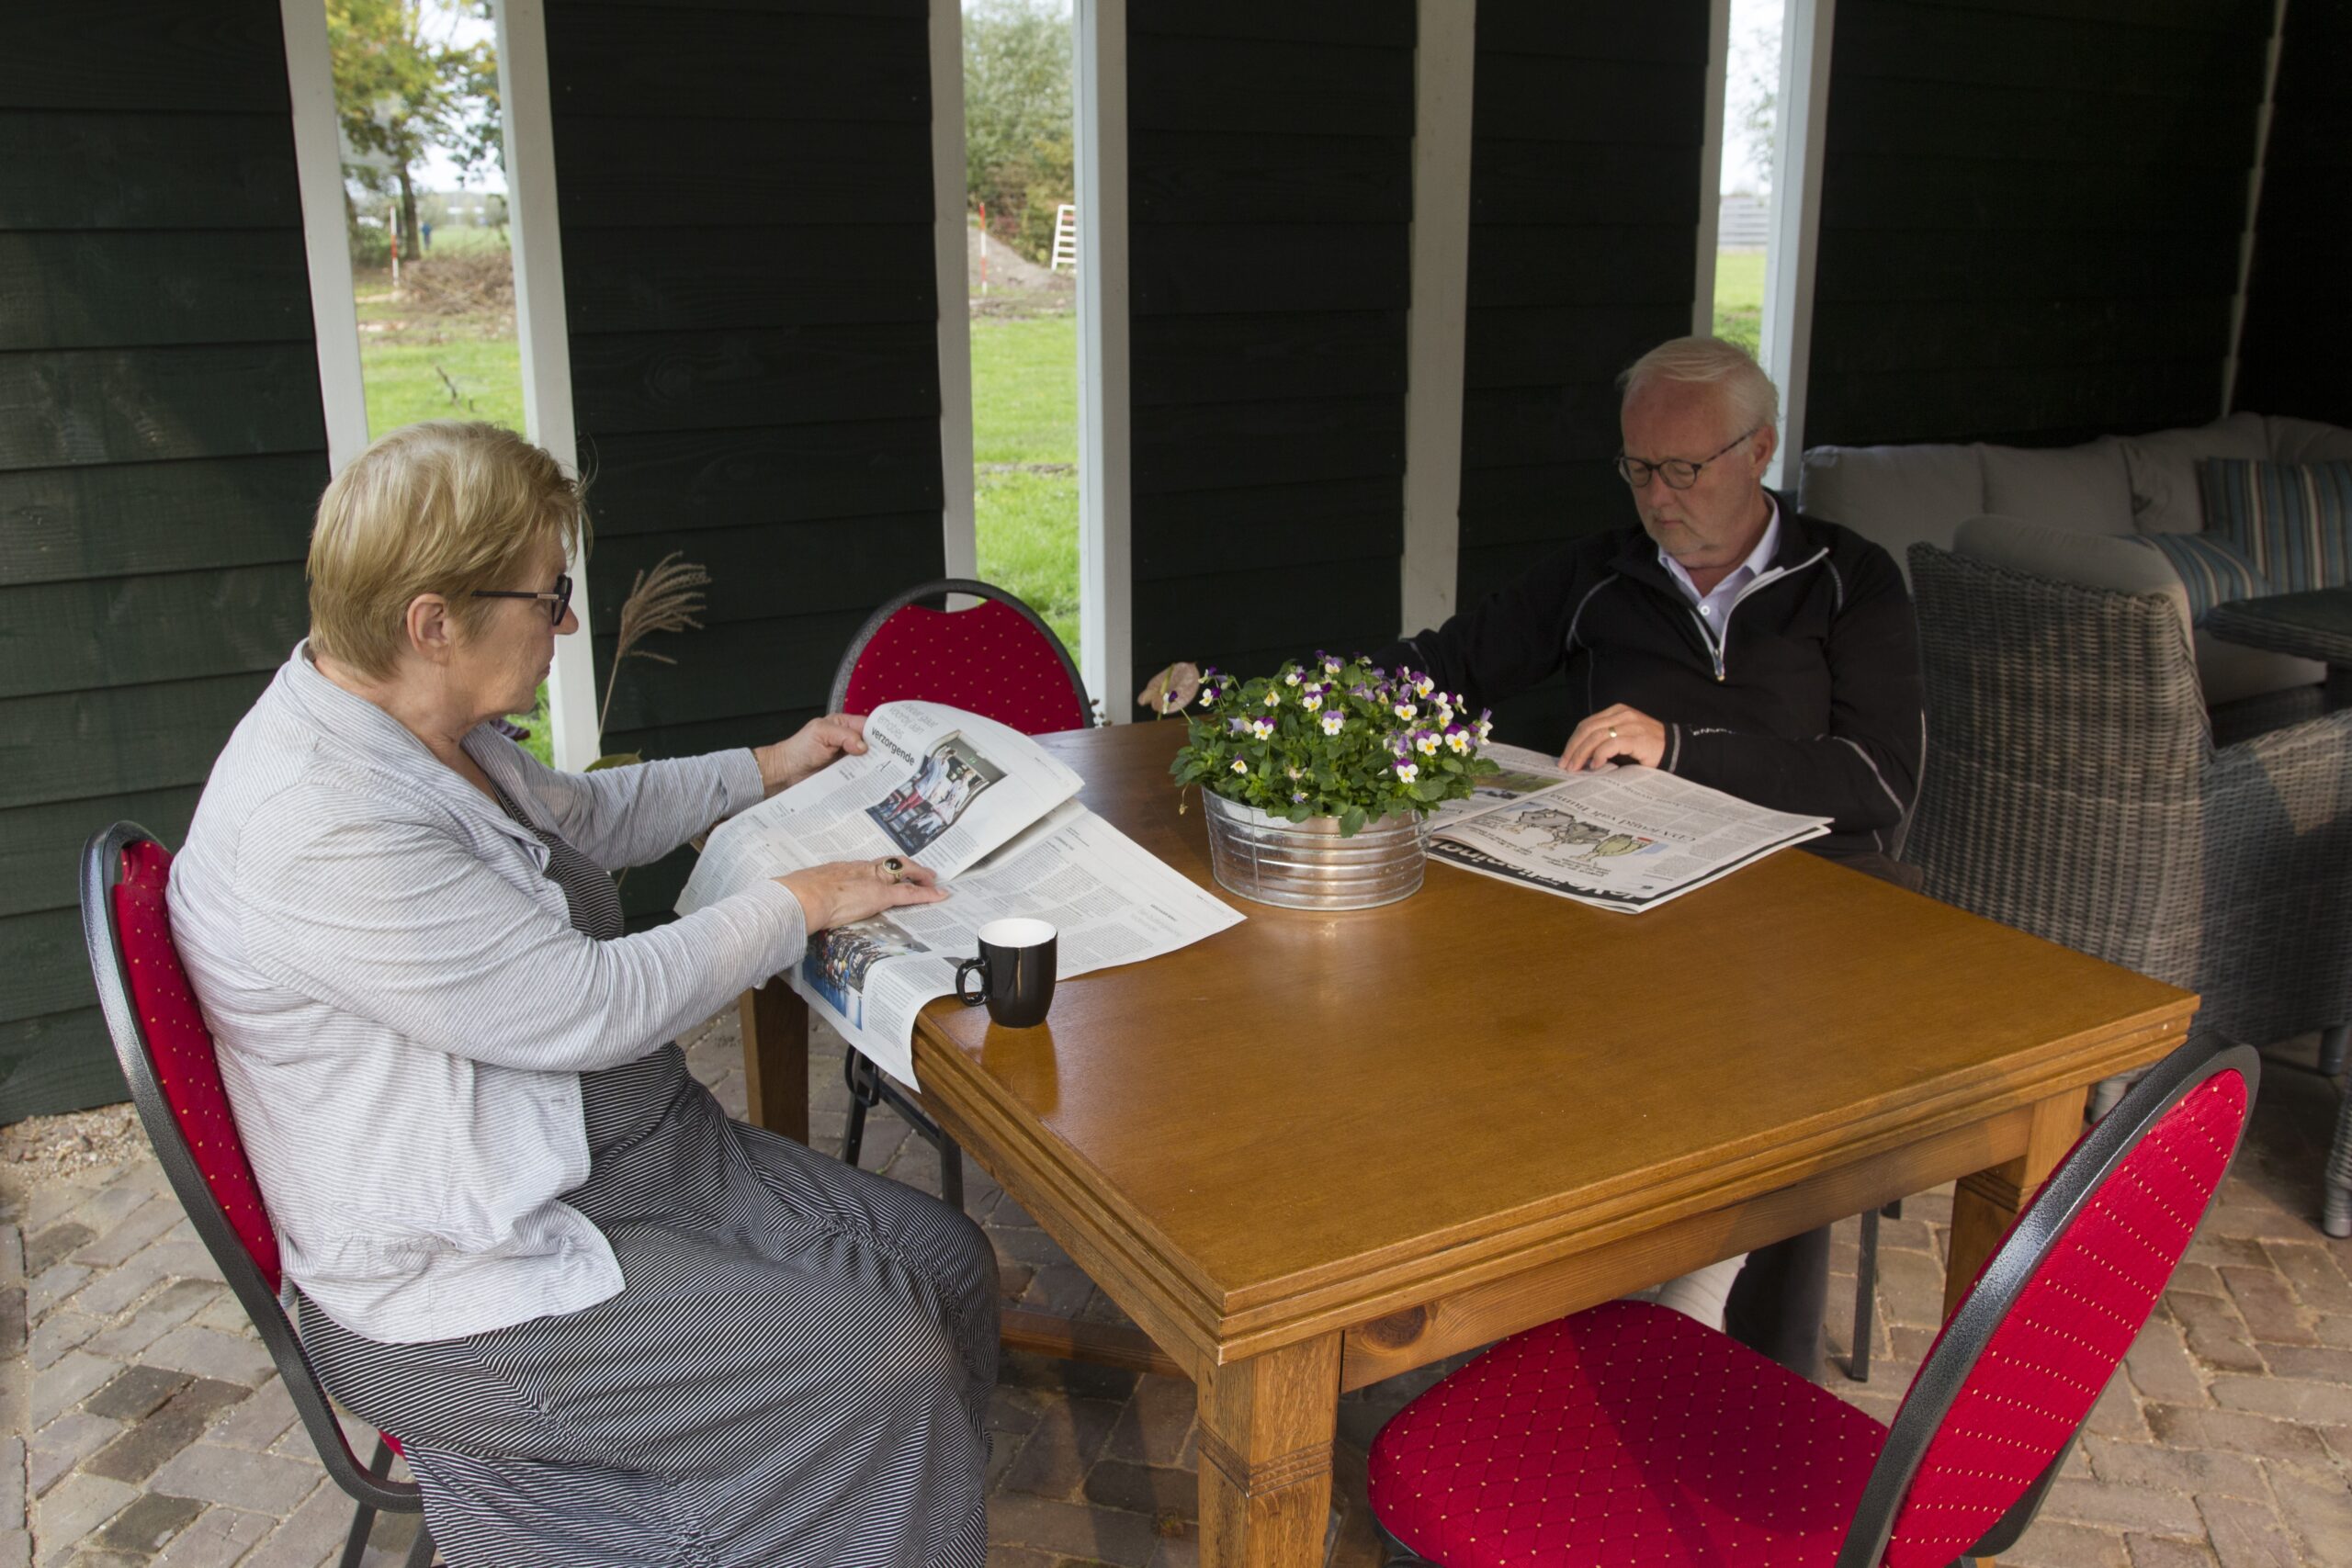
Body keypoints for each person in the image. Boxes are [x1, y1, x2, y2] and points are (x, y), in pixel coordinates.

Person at [170, 421, 994, 1568]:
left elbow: (586, 819)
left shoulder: (421, 725)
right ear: (432, 621)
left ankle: (890, 1523)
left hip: (619, 1155)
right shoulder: (320, 822)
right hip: (473, 1272)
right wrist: (797, 903)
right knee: (877, 1360)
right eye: (549, 596)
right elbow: (588, 1004)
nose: (565, 623)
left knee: (946, 1264)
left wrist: (771, 764)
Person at [1139, 336, 1925, 1372]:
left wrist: (1680, 748)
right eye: (1637, 468)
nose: (1657, 496)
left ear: (1760, 449)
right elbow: (1440, 671)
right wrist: (1268, 701)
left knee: (1779, 1054)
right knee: (1471, 1004)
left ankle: (1736, 1348)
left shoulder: (1847, 579)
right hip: (1636, 893)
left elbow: (1875, 782)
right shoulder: (1602, 572)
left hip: (1808, 900)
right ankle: (1524, 1300)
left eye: (1682, 469)